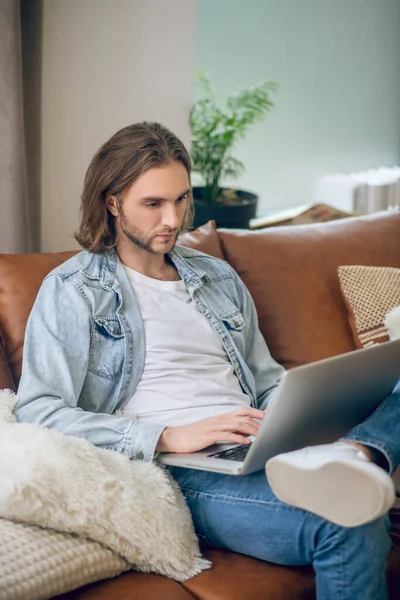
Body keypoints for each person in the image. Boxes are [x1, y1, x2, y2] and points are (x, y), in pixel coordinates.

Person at [16, 122, 400, 600]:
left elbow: (265, 379)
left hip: (263, 442)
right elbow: (39, 410)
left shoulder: (215, 275)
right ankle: (353, 463)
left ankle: (354, 451)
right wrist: (170, 436)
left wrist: (290, 416)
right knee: (350, 517)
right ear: (112, 203)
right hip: (184, 467)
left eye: (180, 199)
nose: (173, 219)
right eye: (153, 204)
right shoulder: (73, 291)